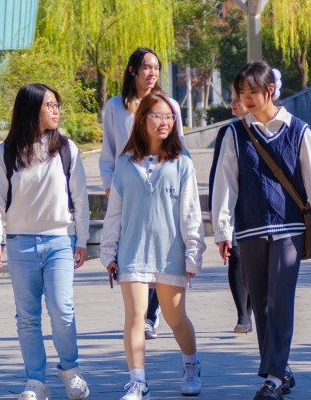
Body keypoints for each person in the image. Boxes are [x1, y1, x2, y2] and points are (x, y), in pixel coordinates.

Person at [211, 62, 311, 400]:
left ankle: (272, 377)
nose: (246, 98)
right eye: (241, 92)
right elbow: (225, 184)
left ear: (270, 90)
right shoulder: (234, 134)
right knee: (262, 305)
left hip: (289, 229)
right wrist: (223, 230)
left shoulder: (298, 130)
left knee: (279, 300)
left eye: (252, 91)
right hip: (249, 231)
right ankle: (280, 370)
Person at [0, 84, 91, 400]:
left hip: (60, 241)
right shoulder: (6, 152)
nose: (56, 110)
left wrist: (82, 238)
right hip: (20, 243)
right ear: (32, 109)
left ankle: (71, 371)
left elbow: (80, 198)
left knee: (62, 309)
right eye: (50, 105)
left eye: (58, 105)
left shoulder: (66, 149)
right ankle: (35, 382)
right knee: (27, 318)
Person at [100, 93, 206, 400]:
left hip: (170, 254)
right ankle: (138, 382)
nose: (164, 122)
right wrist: (108, 252)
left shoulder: (182, 163)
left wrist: (193, 252)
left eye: (169, 117)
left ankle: (191, 364)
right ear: (142, 120)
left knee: (175, 319)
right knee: (136, 317)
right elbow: (114, 213)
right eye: (157, 116)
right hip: (132, 253)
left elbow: (190, 213)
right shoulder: (124, 164)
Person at [99, 47, 184, 340]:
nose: (152, 73)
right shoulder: (116, 106)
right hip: (129, 191)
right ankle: (141, 311)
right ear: (133, 70)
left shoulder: (169, 105)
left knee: (162, 247)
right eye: (147, 67)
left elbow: (179, 148)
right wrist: (110, 187)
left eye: (156, 68)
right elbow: (109, 151)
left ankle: (150, 315)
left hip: (162, 190)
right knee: (134, 250)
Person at [208, 90, 253, 333]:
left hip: (257, 208)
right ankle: (242, 316)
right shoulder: (227, 131)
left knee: (256, 259)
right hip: (231, 205)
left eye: (237, 99)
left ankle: (251, 310)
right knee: (235, 255)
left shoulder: (270, 129)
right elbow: (216, 172)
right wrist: (213, 207)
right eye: (231, 99)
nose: (232, 104)